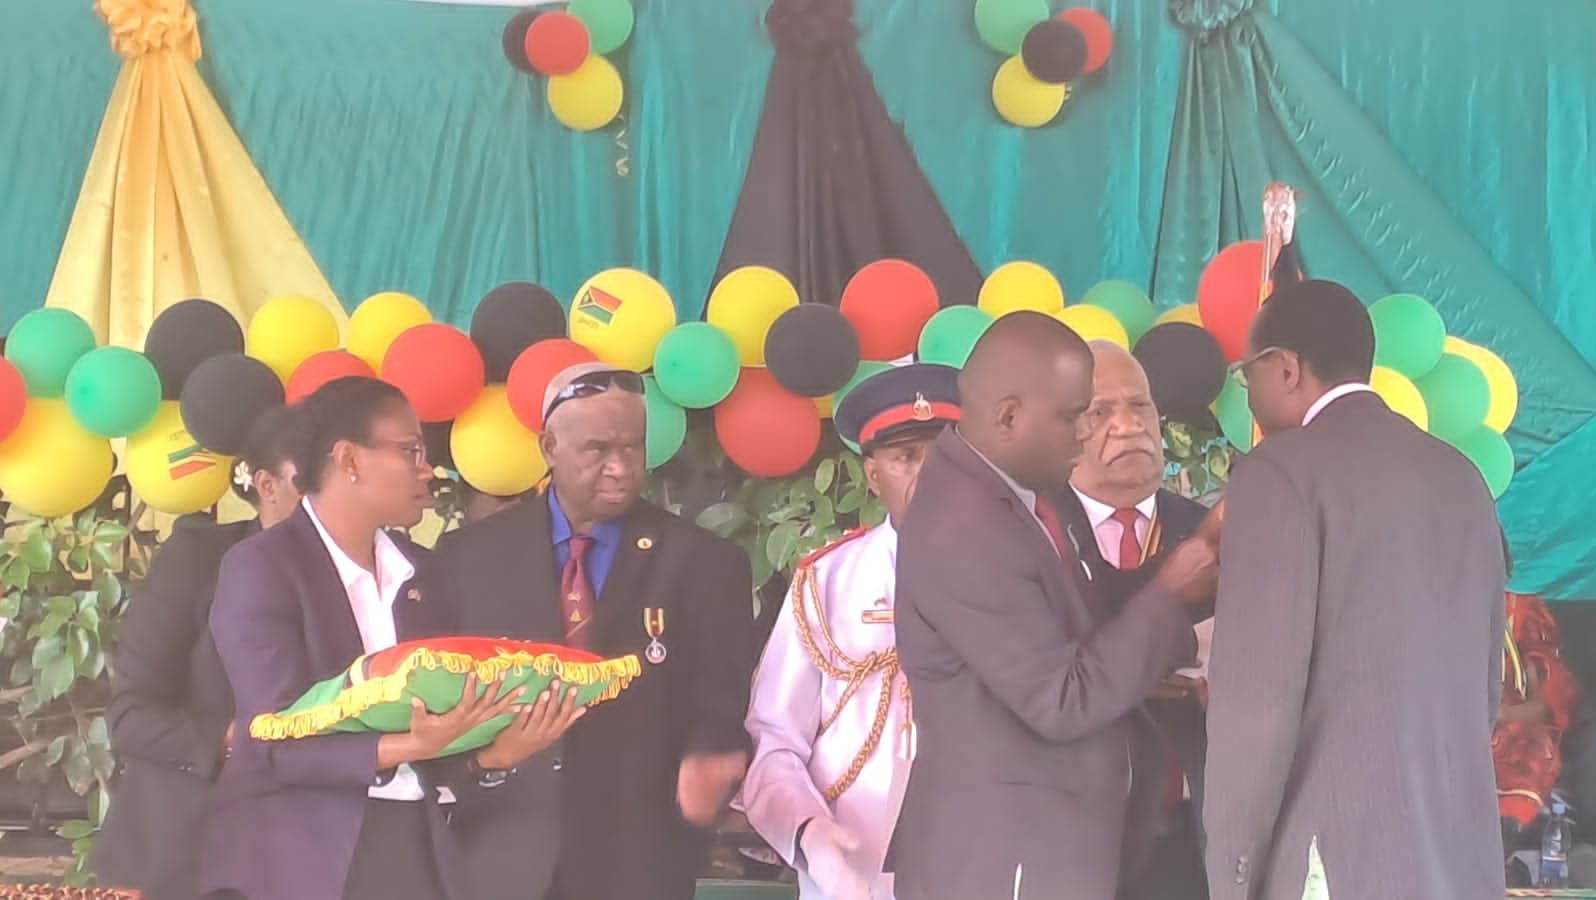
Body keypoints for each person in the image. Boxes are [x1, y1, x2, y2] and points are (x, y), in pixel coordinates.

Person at [203, 376, 581, 900]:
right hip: (296, 857)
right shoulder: (262, 567)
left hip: (413, 847)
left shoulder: (424, 572)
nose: (428, 470)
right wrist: (407, 745)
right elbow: (275, 737)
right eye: (410, 451)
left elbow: (437, 737)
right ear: (349, 460)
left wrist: (496, 754)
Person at [888, 311, 1219, 900]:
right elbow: (1061, 700)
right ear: (1008, 417)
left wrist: (1196, 557)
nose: (1086, 435)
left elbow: (1081, 611)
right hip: (1006, 860)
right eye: (1074, 416)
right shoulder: (966, 527)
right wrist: (1170, 595)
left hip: (1046, 847)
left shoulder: (1017, 495)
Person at [1201, 280, 1507, 900]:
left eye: (1247, 376)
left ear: (1285, 368)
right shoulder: (1462, 475)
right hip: (1456, 859)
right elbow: (1485, 686)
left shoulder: (1278, 474)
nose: (1248, 396)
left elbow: (1257, 710)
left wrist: (1232, 870)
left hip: (1333, 859)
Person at [433, 361, 758, 900]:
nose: (620, 468)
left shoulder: (704, 562)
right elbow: (438, 698)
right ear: (549, 447)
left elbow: (723, 702)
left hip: (639, 857)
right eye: (598, 449)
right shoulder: (469, 558)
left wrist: (711, 755)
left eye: (633, 447)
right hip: (502, 854)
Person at [741, 363, 961, 900]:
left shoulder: (1019, 571)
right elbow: (774, 739)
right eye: (906, 456)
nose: (929, 473)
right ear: (873, 475)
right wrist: (809, 835)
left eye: (946, 454)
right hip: (851, 865)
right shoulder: (827, 581)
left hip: (985, 857)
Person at [95, 405, 305, 899]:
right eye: (312, 481)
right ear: (267, 485)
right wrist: (234, 740)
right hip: (185, 851)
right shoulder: (200, 560)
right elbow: (131, 717)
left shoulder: (379, 573)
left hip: (311, 850)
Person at [1061, 341, 1211, 900]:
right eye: (1101, 411)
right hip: (1072, 839)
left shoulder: (1214, 534)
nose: (1128, 426)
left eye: (1141, 406)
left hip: (1193, 837)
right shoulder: (1032, 535)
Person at [1495, 591, 1580, 847]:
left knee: (1533, 746)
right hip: (1456, 717)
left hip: (1508, 721)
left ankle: (1505, 842)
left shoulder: (1522, 612)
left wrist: (1499, 715)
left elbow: (1539, 708)